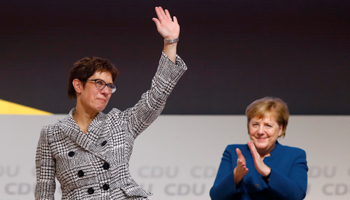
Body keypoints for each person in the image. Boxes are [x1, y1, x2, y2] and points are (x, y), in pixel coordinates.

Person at [35, 7, 187, 200]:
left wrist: (170, 42)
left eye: (110, 86)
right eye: (99, 83)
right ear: (78, 85)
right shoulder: (51, 134)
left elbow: (157, 96)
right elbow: (44, 191)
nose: (106, 91)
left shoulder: (121, 122)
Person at [210, 97, 308, 200]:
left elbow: (297, 195)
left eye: (268, 125)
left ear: (280, 129)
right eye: (255, 124)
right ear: (248, 127)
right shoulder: (233, 152)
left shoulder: (295, 155)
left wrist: (267, 172)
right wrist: (236, 175)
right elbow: (216, 196)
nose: (260, 131)